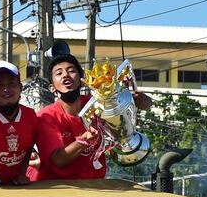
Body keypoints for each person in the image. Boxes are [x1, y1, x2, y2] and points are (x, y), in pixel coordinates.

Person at [32, 53, 152, 181]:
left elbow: (143, 105)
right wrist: (85, 139)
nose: (66, 75)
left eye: (71, 71)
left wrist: (139, 101)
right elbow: (58, 160)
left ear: (83, 82)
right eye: (59, 73)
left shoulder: (99, 103)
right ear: (52, 88)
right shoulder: (46, 116)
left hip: (95, 184)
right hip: (57, 187)